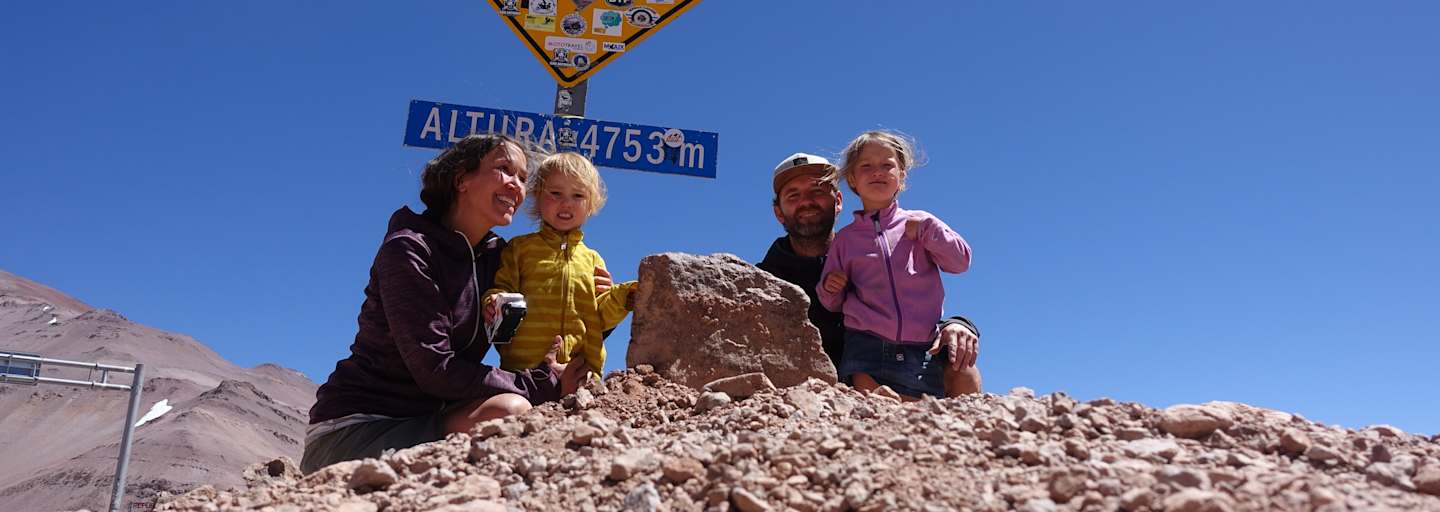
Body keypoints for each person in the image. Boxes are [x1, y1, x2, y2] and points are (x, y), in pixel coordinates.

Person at [302, 135, 595, 474]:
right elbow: (435, 369)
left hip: (433, 415)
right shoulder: (409, 249)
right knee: (510, 411)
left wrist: (593, 293)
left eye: (522, 177)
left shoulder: (499, 259)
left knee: (513, 414)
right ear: (461, 179)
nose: (516, 185)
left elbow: (552, 310)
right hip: (358, 427)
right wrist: (542, 384)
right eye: (504, 169)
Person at [758, 150, 982, 399]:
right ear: (779, 212)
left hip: (901, 366)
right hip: (833, 395)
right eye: (793, 195)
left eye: (817, 191)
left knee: (962, 366)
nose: (807, 201)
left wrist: (958, 324)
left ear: (838, 201)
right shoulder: (761, 284)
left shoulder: (869, 250)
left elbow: (906, 309)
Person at [816, 131, 976, 400]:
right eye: (866, 166)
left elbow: (960, 262)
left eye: (887, 165)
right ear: (852, 179)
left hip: (924, 343)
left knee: (959, 381)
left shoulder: (921, 222)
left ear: (902, 176)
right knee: (872, 401)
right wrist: (831, 288)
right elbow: (830, 302)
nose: (877, 172)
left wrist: (929, 230)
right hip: (867, 344)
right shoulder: (845, 240)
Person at [484, 152, 638, 379]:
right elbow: (502, 288)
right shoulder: (519, 249)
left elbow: (600, 317)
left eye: (578, 195)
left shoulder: (593, 259)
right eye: (555, 193)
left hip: (581, 375)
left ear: (591, 205)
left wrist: (624, 296)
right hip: (523, 372)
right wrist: (492, 301)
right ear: (538, 196)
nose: (566, 203)